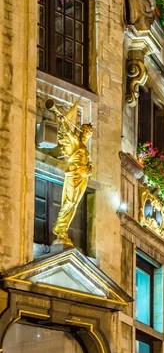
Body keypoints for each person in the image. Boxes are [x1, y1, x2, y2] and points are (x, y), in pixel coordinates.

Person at [46, 100, 93, 246]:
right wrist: (62, 120)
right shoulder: (75, 142)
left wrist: (88, 169)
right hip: (74, 174)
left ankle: (63, 228)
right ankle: (60, 227)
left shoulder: (83, 147)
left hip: (82, 176)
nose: (87, 135)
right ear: (81, 131)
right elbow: (66, 131)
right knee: (70, 201)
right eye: (85, 132)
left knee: (74, 203)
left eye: (88, 134)